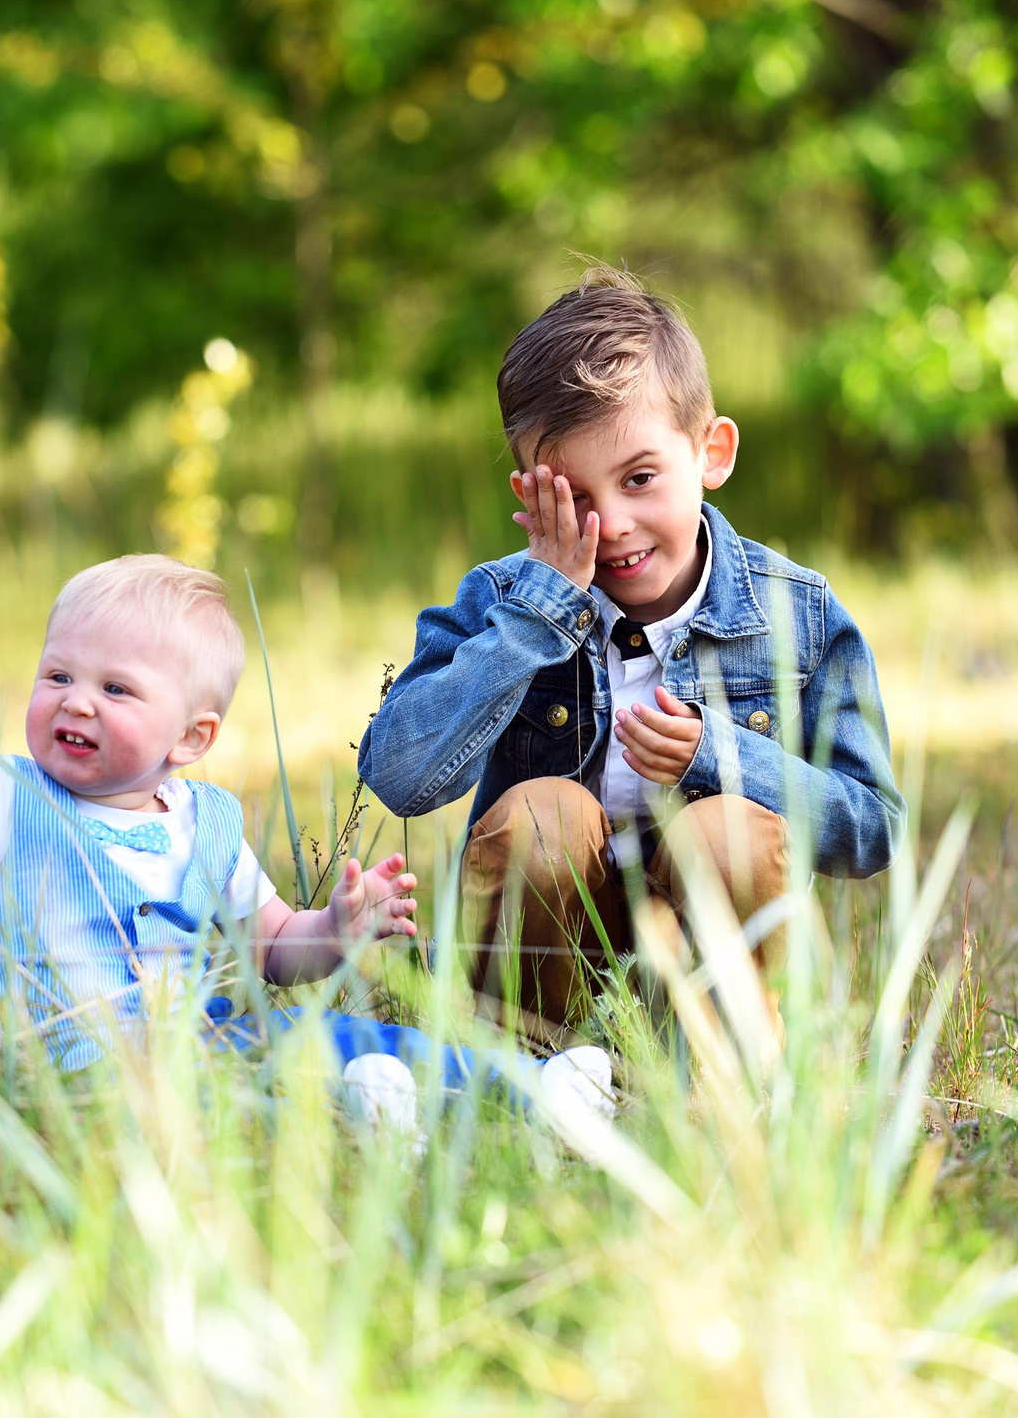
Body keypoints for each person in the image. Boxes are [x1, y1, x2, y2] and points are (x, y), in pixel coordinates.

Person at [0, 553, 617, 1128]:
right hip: (74, 1070)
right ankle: (352, 1108)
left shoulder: (206, 822)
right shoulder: (6, 799)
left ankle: (534, 1086)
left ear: (191, 736)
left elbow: (274, 947)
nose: (76, 703)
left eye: (115, 688)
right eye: (57, 676)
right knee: (221, 1103)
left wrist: (338, 926)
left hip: (210, 1032)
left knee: (340, 1036)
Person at [357, 265, 902, 1043]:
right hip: (549, 956)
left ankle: (724, 1066)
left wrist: (718, 753)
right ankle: (530, 1054)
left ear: (712, 452)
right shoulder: (501, 602)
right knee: (545, 817)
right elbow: (400, 776)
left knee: (730, 832)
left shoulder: (797, 615)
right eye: (572, 495)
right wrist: (535, 618)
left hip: (701, 955)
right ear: (526, 490)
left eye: (639, 478)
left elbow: (872, 828)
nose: (609, 523)